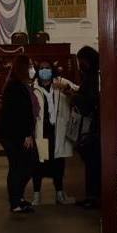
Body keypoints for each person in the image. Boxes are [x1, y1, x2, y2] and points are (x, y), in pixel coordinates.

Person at [31, 60, 78, 206]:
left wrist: (66, 89)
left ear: (53, 70)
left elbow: (78, 92)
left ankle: (59, 194)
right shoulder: (33, 87)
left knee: (58, 163)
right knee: (39, 164)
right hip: (41, 132)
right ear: (38, 71)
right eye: (42, 68)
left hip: (57, 132)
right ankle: (36, 195)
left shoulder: (61, 83)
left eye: (48, 68)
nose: (45, 70)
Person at [0, 54, 38, 213]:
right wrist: (26, 135)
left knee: (25, 166)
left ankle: (18, 198)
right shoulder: (15, 86)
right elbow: (19, 114)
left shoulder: (19, 84)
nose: (32, 69)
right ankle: (15, 202)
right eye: (29, 66)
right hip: (15, 135)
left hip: (16, 134)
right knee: (20, 167)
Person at [72, 45, 101, 209]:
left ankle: (93, 196)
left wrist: (74, 97)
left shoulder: (92, 76)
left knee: (92, 163)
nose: (79, 64)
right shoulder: (95, 73)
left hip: (94, 127)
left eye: (80, 61)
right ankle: (92, 195)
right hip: (94, 126)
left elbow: (88, 102)